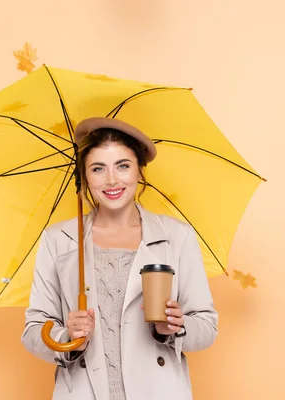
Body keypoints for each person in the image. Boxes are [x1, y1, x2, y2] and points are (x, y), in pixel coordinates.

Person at [21, 117, 218, 400]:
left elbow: (207, 327)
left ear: (139, 170)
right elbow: (33, 331)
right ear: (85, 177)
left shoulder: (177, 236)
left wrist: (175, 327)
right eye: (98, 169)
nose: (112, 180)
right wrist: (68, 337)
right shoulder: (58, 241)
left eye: (123, 166)